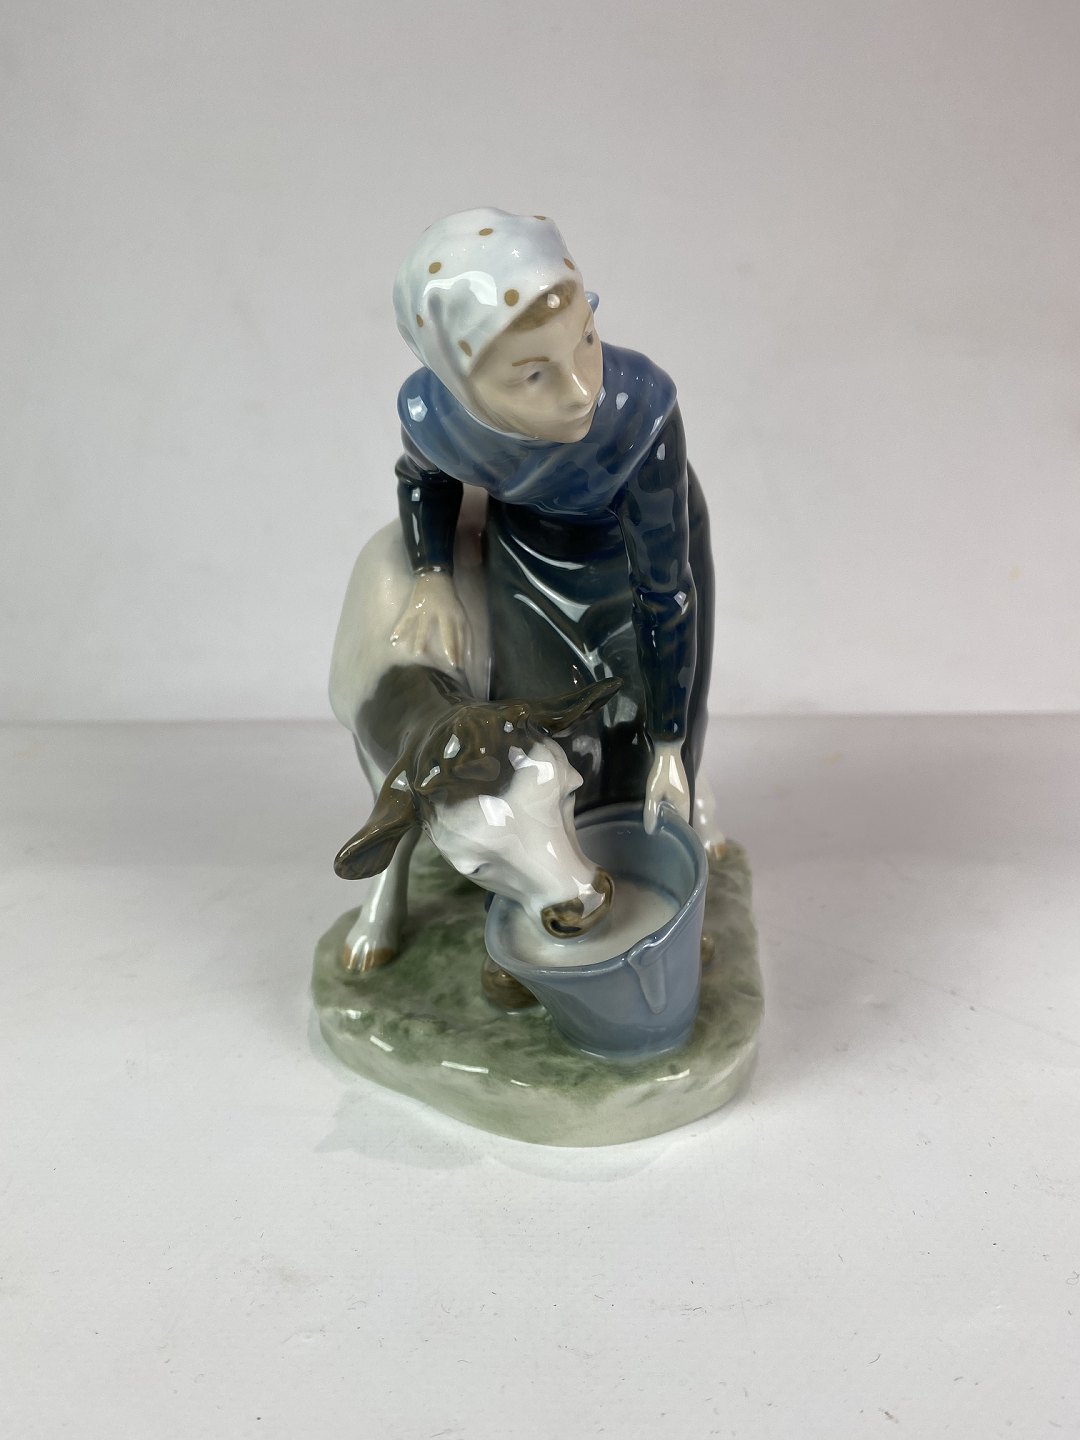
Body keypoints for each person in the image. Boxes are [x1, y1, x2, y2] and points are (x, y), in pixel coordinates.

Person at [388, 207, 714, 836]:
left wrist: (671, 744)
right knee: (544, 713)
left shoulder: (638, 411)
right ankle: (559, 850)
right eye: (534, 375)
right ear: (459, 383)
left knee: (641, 708)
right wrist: (433, 574)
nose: (580, 390)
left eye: (586, 339)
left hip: (641, 541)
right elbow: (424, 480)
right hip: (529, 547)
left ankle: (657, 825)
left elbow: (665, 592)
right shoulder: (434, 418)